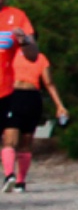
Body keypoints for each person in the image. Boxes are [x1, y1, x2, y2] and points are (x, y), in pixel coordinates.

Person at [3, 47, 69, 193]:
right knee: (20, 141)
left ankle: (14, 177)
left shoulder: (34, 57)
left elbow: (49, 82)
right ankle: (16, 180)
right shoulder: (34, 56)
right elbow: (49, 83)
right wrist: (59, 105)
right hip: (28, 97)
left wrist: (59, 105)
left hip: (21, 96)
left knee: (15, 140)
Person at [0, 0, 41, 192]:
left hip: (6, 91)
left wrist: (25, 41)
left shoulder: (16, 16)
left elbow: (34, 55)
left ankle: (14, 179)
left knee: (14, 135)